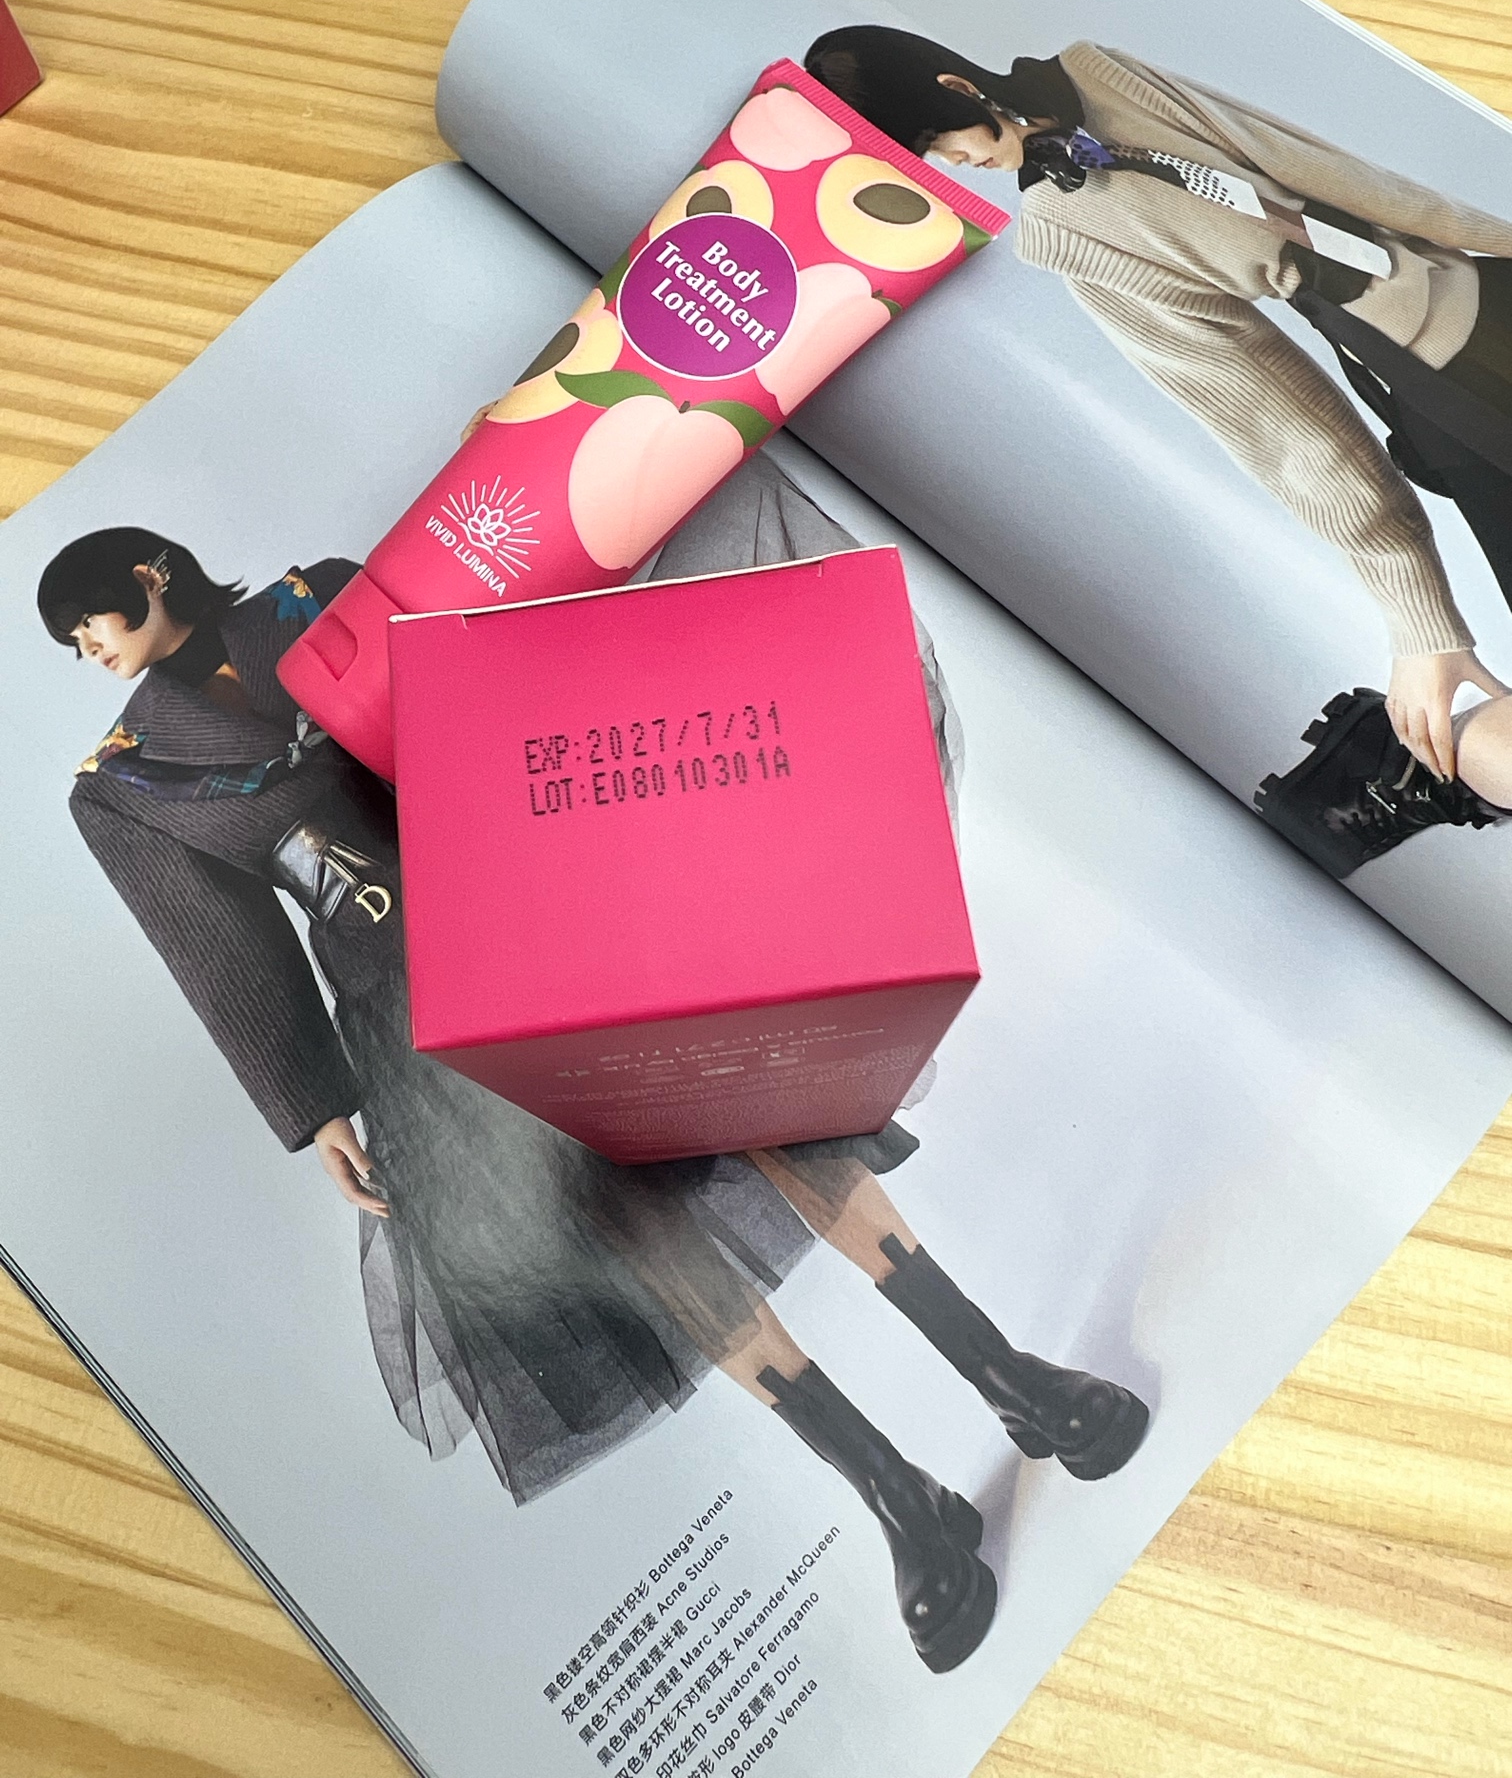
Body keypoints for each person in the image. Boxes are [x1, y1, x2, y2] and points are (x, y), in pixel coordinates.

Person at [39, 456, 1148, 1677]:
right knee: (630, 1236)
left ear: (148, 575)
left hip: (542, 900)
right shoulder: (125, 786)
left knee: (759, 1116)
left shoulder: (328, 599)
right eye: (73, 645)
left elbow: (511, 702)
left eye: (88, 623)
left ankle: (1005, 1373)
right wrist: (314, 1113)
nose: (90, 651)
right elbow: (220, 950)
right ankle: (896, 1494)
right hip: (411, 1011)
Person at [803, 25, 1512, 875]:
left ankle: (1423, 770)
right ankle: (1429, 766)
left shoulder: (1103, 78)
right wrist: (1419, 617)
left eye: (935, 138)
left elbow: (1330, 173)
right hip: (1455, 408)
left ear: (955, 87)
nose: (952, 161)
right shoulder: (1076, 237)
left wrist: (1498, 235)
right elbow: (1282, 424)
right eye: (926, 158)